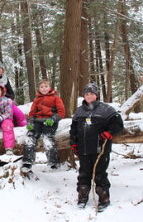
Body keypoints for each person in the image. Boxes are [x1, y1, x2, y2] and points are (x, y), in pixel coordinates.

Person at [70, 82, 124, 210]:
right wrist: (73, 142)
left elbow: (118, 124)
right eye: (87, 94)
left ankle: (104, 198)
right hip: (83, 148)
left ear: (97, 95)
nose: (89, 96)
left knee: (100, 173)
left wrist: (109, 132)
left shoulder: (106, 109)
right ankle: (82, 197)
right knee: (84, 173)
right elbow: (73, 129)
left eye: (92, 94)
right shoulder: (79, 111)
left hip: (101, 149)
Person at [21, 80, 65, 172]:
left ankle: (53, 162)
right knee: (30, 136)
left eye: (46, 86)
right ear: (39, 89)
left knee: (47, 137)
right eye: (41, 87)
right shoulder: (37, 99)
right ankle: (27, 162)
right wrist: (30, 122)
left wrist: (53, 119)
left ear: (50, 88)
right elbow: (32, 113)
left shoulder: (56, 98)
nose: (44, 88)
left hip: (50, 121)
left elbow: (61, 112)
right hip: (37, 121)